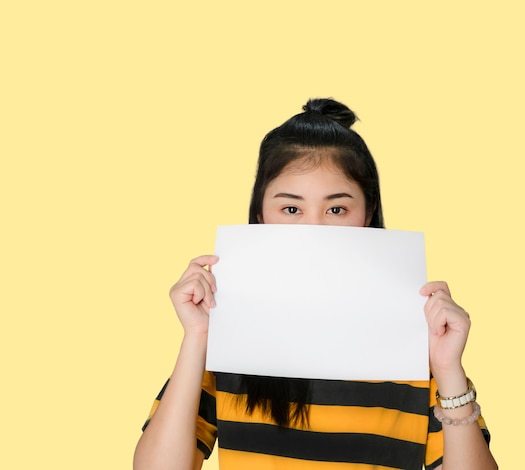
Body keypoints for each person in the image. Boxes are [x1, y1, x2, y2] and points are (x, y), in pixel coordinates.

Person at [134, 98, 498, 470]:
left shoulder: (414, 346)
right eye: (291, 209)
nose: (313, 229)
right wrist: (196, 336)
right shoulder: (228, 342)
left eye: (336, 209)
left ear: (367, 215)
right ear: (261, 217)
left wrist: (448, 367)